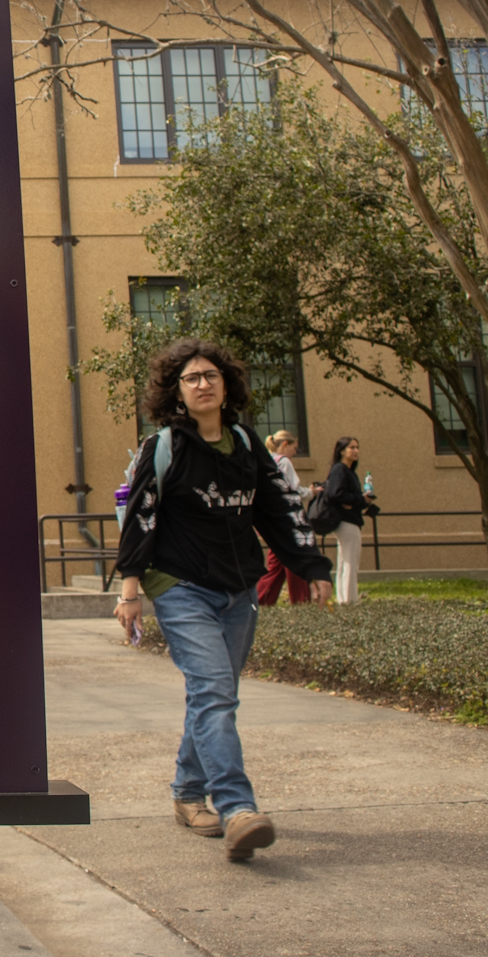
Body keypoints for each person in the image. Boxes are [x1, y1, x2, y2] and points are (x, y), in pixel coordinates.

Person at [115, 339, 332, 862]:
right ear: (177, 392)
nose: (203, 384)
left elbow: (277, 511)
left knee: (215, 695)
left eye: (211, 375)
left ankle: (188, 795)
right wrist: (130, 590)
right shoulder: (164, 446)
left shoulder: (245, 443)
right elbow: (141, 516)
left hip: (239, 590)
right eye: (191, 378)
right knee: (214, 692)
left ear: (227, 384)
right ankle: (238, 809)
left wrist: (313, 567)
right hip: (181, 586)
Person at [254, 431, 312, 605]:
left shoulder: (267, 461)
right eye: (295, 448)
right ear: (285, 444)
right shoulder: (284, 462)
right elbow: (293, 489)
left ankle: (262, 599)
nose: (295, 452)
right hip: (286, 519)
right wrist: (311, 492)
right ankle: (301, 599)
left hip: (270, 518)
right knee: (295, 558)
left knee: (276, 563)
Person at [323, 436, 375, 604]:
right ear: (342, 451)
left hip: (351, 519)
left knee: (346, 560)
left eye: (357, 447)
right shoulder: (340, 469)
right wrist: (359, 500)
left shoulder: (349, 471)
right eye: (351, 447)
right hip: (346, 522)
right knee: (350, 562)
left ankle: (344, 599)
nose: (355, 451)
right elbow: (335, 493)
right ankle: (350, 601)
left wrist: (358, 501)